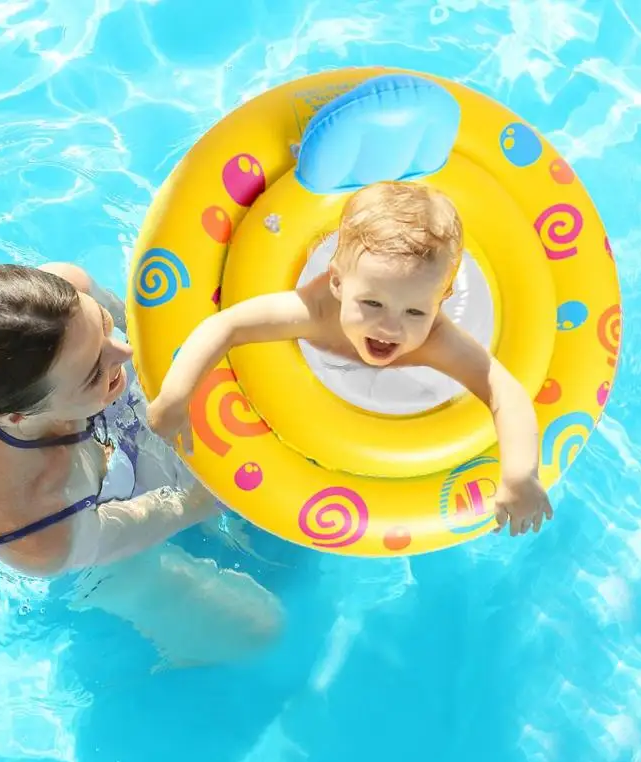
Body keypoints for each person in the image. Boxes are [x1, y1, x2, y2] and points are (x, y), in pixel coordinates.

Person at [0, 261, 282, 663]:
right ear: (16, 416)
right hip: (84, 527)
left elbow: (147, 336)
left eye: (102, 323)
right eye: (92, 372)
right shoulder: (32, 528)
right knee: (257, 628)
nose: (124, 351)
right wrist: (257, 463)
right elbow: (186, 506)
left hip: (75, 414)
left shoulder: (64, 295)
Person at [147, 181, 553, 536]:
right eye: (371, 303)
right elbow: (226, 326)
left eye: (415, 311)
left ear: (442, 300)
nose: (390, 327)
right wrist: (175, 397)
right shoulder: (314, 312)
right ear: (338, 284)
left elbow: (505, 392)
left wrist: (520, 475)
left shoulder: (435, 338)